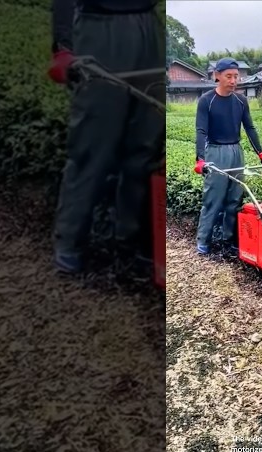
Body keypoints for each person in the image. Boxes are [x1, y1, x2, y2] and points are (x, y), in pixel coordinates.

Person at [47, 0, 164, 274]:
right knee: (92, 144)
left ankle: (130, 238)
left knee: (145, 145)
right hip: (101, 30)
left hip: (149, 25)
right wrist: (64, 47)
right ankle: (70, 241)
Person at [193, 57, 262, 255]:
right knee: (214, 198)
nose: (233, 80)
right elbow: (201, 130)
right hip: (215, 153)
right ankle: (204, 240)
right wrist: (200, 159)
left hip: (236, 152)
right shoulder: (206, 101)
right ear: (217, 76)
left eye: (236, 76)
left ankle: (229, 239)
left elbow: (250, 128)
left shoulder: (241, 101)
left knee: (234, 199)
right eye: (229, 76)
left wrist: (261, 153)